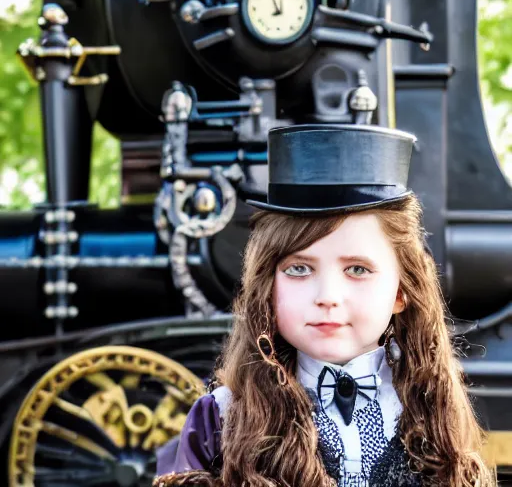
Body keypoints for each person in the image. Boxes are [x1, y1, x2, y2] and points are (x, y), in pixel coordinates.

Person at [153, 124, 496, 486]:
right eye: (299, 269)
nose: (328, 295)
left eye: (357, 269)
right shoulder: (222, 417)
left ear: (401, 292)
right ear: (267, 287)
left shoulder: (432, 408)